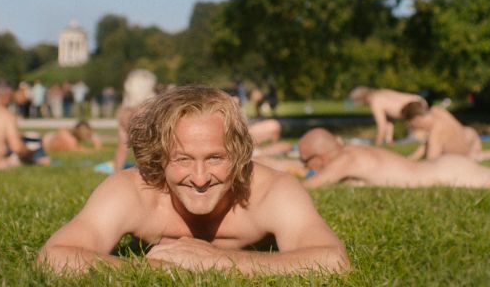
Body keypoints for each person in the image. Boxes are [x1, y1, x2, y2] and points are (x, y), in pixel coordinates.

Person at [38, 85, 349, 275]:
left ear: (239, 154)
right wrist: (153, 269)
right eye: (182, 159)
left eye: (215, 158)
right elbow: (54, 256)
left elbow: (333, 261)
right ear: (159, 158)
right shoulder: (132, 191)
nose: (200, 179)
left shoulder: (271, 192)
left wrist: (221, 262)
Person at [288, 128, 490, 191]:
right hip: (442, 168)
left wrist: (293, 176)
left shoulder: (345, 159)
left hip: (446, 174)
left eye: (306, 161)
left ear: (321, 156)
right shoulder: (353, 153)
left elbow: (313, 187)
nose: (306, 167)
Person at [401, 101, 490, 162]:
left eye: (411, 125)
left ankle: (484, 155)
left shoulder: (436, 134)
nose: (412, 128)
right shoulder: (437, 110)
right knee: (469, 133)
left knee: (468, 157)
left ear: (417, 119)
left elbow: (432, 162)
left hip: (463, 155)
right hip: (471, 139)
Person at [349, 87, 428, 145]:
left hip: (414, 107)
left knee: (419, 138)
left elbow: (382, 125)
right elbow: (389, 121)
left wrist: (378, 143)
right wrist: (389, 140)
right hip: (419, 100)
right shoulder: (382, 93)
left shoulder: (375, 101)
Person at [113, 69, 157, 172]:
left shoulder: (123, 112)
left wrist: (115, 174)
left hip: (141, 167)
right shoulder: (151, 109)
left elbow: (121, 149)